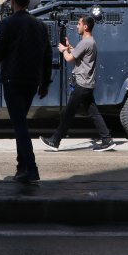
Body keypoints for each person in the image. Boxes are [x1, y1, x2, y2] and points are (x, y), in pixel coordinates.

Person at [0, 0, 52, 183]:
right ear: (28, 1)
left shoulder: (7, 23)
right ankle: (21, 167)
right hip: (32, 81)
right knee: (20, 122)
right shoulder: (40, 25)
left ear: (12, 0)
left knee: (20, 125)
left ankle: (31, 168)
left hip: (12, 79)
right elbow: (47, 55)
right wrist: (45, 81)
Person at [41, 15, 115, 152]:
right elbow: (78, 55)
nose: (77, 26)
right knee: (94, 113)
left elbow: (69, 58)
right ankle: (107, 139)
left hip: (82, 84)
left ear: (85, 27)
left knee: (68, 113)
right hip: (87, 84)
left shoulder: (86, 42)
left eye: (79, 24)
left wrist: (63, 50)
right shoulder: (89, 42)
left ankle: (55, 141)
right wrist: (69, 47)